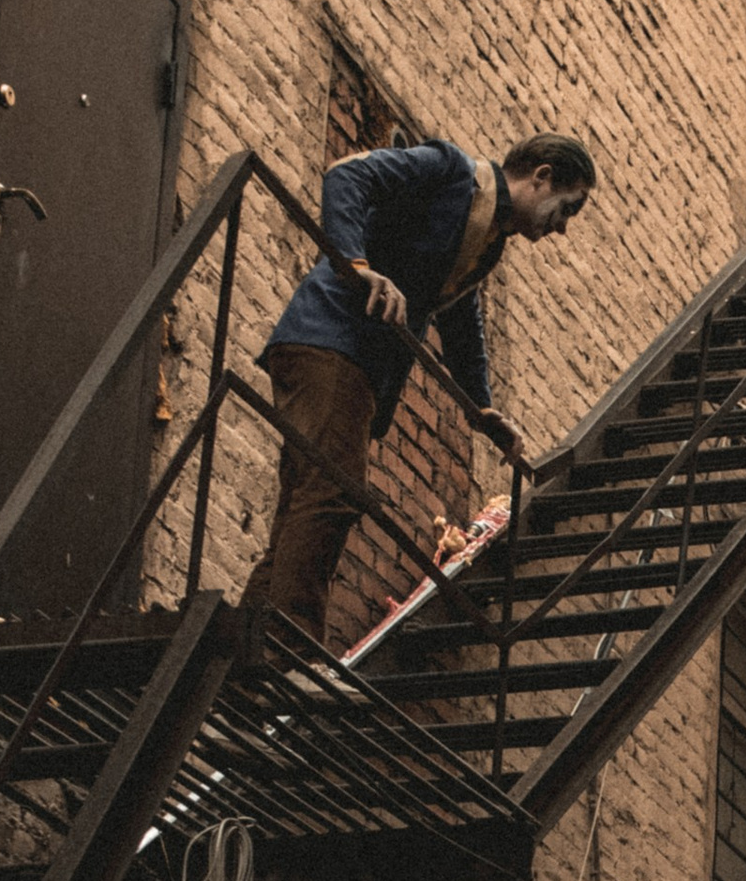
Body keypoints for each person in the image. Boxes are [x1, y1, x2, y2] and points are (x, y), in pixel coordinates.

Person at [244, 128, 597, 636]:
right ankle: (289, 645)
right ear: (541, 177)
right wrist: (357, 266)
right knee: (332, 492)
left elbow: (460, 321)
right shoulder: (450, 170)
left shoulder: (487, 239)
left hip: (349, 361)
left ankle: (252, 636)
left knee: (307, 498)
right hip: (330, 342)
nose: (560, 228)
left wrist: (481, 409)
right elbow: (347, 174)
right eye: (566, 209)